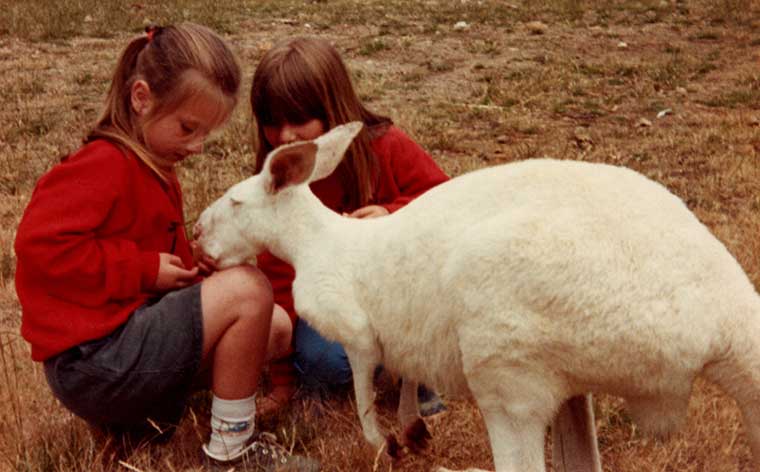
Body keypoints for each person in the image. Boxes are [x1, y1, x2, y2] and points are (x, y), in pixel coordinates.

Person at [14, 23, 315, 470]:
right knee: (250, 288)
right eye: (188, 128)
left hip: (118, 347)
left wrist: (190, 272)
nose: (195, 146)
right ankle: (232, 450)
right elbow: (39, 249)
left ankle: (133, 427)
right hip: (93, 363)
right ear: (141, 98)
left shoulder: (151, 167)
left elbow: (145, 260)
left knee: (273, 327)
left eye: (205, 135)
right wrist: (143, 271)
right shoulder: (102, 164)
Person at [248, 36, 450, 417]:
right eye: (273, 123)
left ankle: (420, 374)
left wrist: (393, 213)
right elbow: (276, 278)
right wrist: (282, 381)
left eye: (299, 119)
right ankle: (360, 364)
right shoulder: (278, 182)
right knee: (324, 365)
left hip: (398, 293)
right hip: (334, 304)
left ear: (333, 108)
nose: (286, 135)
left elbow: (448, 199)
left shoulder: (386, 146)